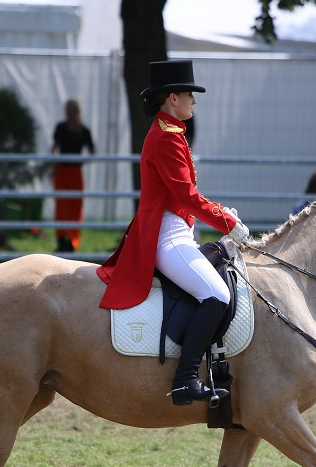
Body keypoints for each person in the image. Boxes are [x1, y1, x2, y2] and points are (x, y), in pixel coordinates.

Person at [96, 60, 249, 405]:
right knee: (217, 296)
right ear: (172, 97)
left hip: (179, 230)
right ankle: (184, 380)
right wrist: (227, 221)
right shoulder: (165, 138)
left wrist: (222, 214)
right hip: (167, 236)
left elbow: (185, 198)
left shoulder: (171, 132)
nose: (194, 100)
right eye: (190, 94)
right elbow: (185, 196)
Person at [51, 99, 95, 253]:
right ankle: (61, 239)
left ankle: (72, 240)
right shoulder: (61, 128)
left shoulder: (84, 131)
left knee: (75, 208)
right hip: (61, 170)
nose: (69, 115)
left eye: (72, 112)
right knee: (62, 207)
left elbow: (92, 151)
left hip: (75, 171)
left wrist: (81, 161)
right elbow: (54, 148)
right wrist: (52, 165)